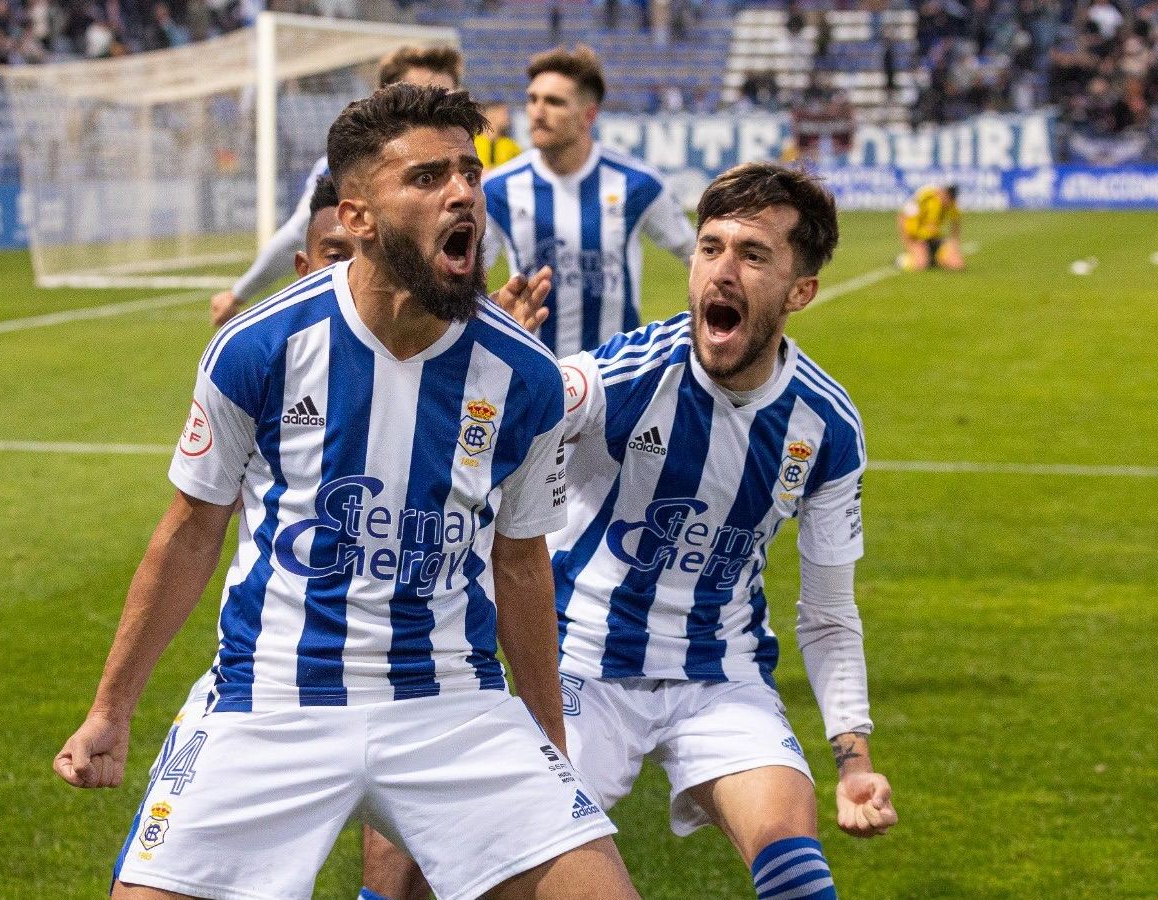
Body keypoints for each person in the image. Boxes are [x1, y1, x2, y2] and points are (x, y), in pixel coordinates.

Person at [54, 83, 641, 900]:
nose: (464, 192)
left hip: (454, 705)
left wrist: (547, 739)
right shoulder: (257, 347)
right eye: (429, 176)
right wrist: (111, 709)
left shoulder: (528, 379)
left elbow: (519, 563)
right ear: (357, 217)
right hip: (269, 699)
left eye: (469, 172)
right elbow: (190, 531)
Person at [365, 161, 898, 900]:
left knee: (792, 854)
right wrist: (502, 366)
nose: (721, 271)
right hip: (581, 667)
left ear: (800, 290)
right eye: (711, 248)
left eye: (753, 255)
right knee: (472, 854)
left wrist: (854, 759)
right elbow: (545, 396)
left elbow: (830, 613)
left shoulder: (827, 426)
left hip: (721, 676)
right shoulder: (629, 376)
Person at [210, 46, 464, 327]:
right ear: (384, 101)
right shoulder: (343, 168)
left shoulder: (468, 180)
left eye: (445, 101)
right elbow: (298, 234)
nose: (434, 113)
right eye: (418, 100)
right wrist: (239, 293)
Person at [482, 45, 696, 356]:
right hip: (533, 377)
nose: (538, 112)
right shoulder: (498, 189)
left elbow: (696, 256)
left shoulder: (638, 184)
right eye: (532, 99)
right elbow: (464, 283)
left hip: (617, 380)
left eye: (554, 102)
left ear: (589, 115)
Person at [896, 182, 963, 272]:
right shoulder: (925, 197)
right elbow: (904, 218)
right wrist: (910, 243)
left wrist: (954, 243)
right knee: (921, 264)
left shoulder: (951, 203)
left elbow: (956, 222)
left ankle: (933, 259)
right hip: (916, 236)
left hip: (935, 238)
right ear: (942, 192)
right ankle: (902, 260)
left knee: (957, 265)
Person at [475, 99, 522, 169]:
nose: (508, 117)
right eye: (504, 113)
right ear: (491, 115)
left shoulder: (512, 146)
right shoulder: (472, 142)